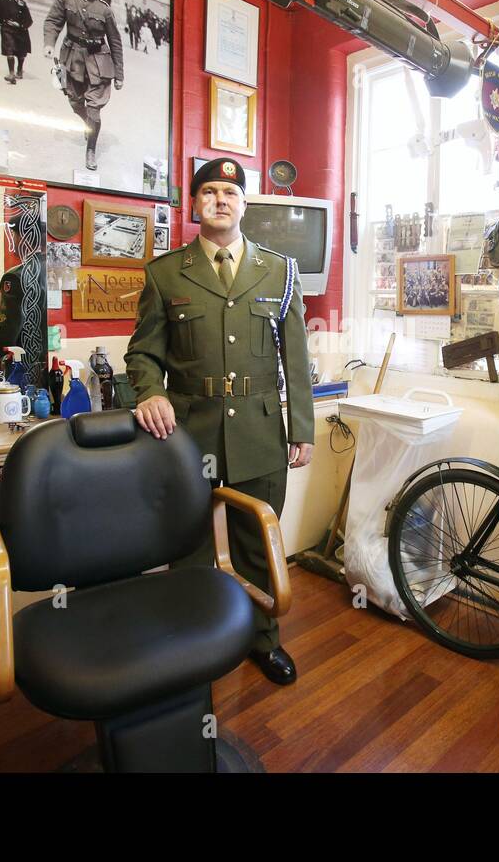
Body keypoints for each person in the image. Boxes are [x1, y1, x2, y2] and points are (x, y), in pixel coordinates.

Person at [125, 157, 314, 686]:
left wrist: (302, 428)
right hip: (187, 432)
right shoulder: (164, 274)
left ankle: (262, 639)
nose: (221, 200)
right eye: (209, 191)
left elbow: (295, 359)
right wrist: (150, 393)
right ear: (195, 204)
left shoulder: (280, 271)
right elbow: (141, 355)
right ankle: (193, 641)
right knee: (189, 544)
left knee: (258, 538)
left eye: (230, 192)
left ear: (244, 203)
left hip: (259, 428)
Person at [43, 0, 124, 172]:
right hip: (72, 61)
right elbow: (53, 21)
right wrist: (49, 43)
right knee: (74, 103)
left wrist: (119, 75)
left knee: (94, 112)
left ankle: (90, 149)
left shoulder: (104, 8)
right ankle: (88, 122)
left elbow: (115, 41)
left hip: (99, 64)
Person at [0, 0, 33, 85]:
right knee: (9, 50)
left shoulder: (21, 4)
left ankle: (19, 69)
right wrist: (3, 26)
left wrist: (20, 25)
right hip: (7, 30)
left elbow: (29, 21)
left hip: (20, 32)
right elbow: (0, 16)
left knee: (21, 53)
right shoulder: (1, 0)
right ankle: (11, 74)